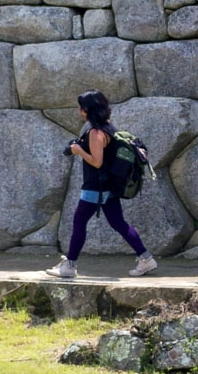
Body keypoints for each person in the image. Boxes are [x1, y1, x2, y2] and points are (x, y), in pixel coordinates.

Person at [45, 89, 158, 279]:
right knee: (118, 223)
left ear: (88, 110)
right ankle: (146, 259)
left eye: (81, 108)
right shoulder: (108, 127)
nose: (79, 111)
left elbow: (96, 161)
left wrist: (78, 150)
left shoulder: (96, 132)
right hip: (108, 186)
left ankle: (69, 266)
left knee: (79, 222)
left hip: (95, 187)